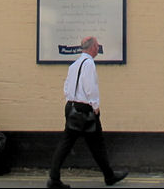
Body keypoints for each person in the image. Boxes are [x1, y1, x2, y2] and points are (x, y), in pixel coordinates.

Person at [47, 36, 128, 189]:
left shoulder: (74, 64)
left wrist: (72, 100)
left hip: (71, 107)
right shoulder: (89, 64)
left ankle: (54, 178)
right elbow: (90, 87)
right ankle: (109, 176)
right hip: (84, 110)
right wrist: (95, 105)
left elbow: (66, 86)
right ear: (92, 48)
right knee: (97, 143)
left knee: (67, 142)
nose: (98, 48)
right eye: (97, 46)